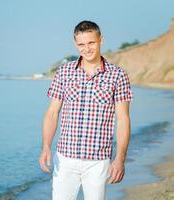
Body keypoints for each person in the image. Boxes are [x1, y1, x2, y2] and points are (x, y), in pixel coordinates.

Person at [39, 20, 133, 200]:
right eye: (81, 44)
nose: (86, 48)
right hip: (65, 159)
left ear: (101, 40)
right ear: (75, 44)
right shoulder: (64, 72)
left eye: (91, 42)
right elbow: (52, 113)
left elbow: (123, 119)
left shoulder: (118, 75)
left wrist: (120, 158)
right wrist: (45, 146)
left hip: (97, 161)